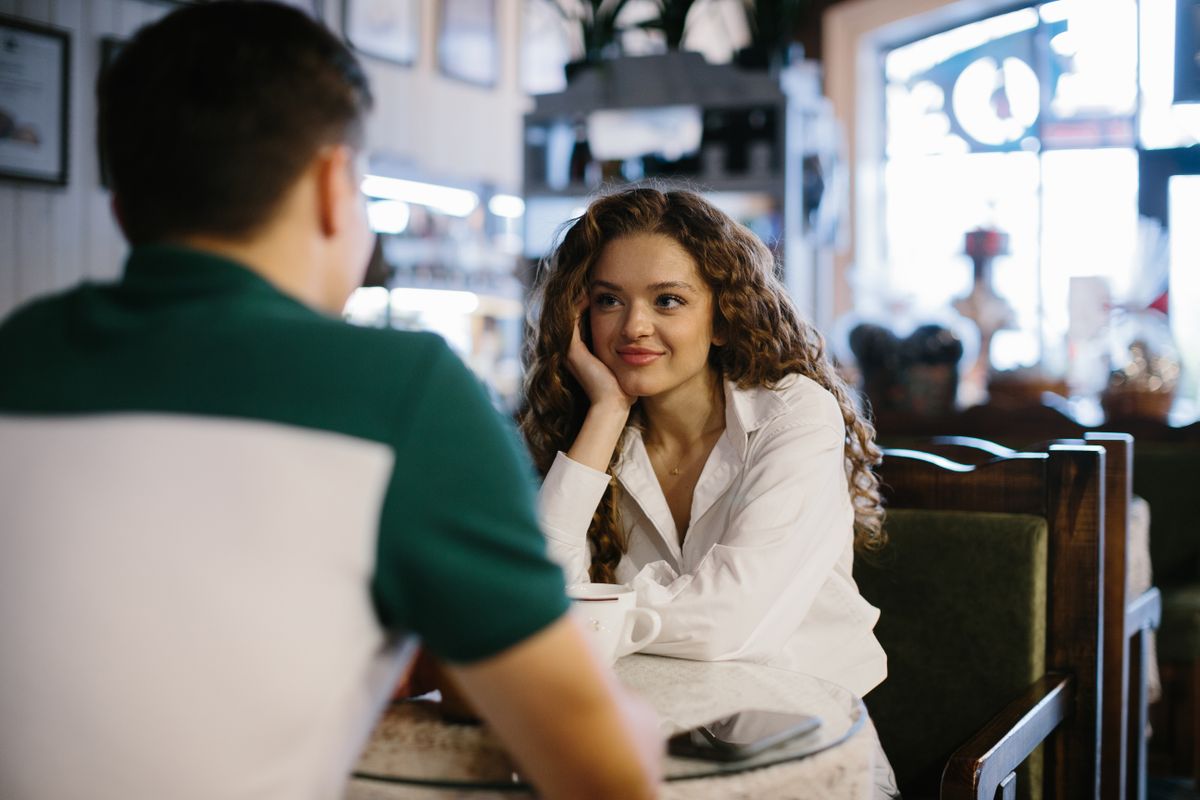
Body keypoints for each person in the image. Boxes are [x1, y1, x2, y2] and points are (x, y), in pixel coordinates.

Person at [0, 4, 660, 799]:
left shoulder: (20, 351)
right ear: (328, 185)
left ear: (122, 202)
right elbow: (599, 770)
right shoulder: (403, 395)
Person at [521, 187, 897, 791]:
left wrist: (587, 620)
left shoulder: (794, 416)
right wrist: (605, 414)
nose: (634, 327)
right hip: (651, 744)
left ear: (722, 317)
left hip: (803, 753)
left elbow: (731, 621)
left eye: (668, 300)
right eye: (608, 300)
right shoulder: (600, 430)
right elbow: (534, 590)